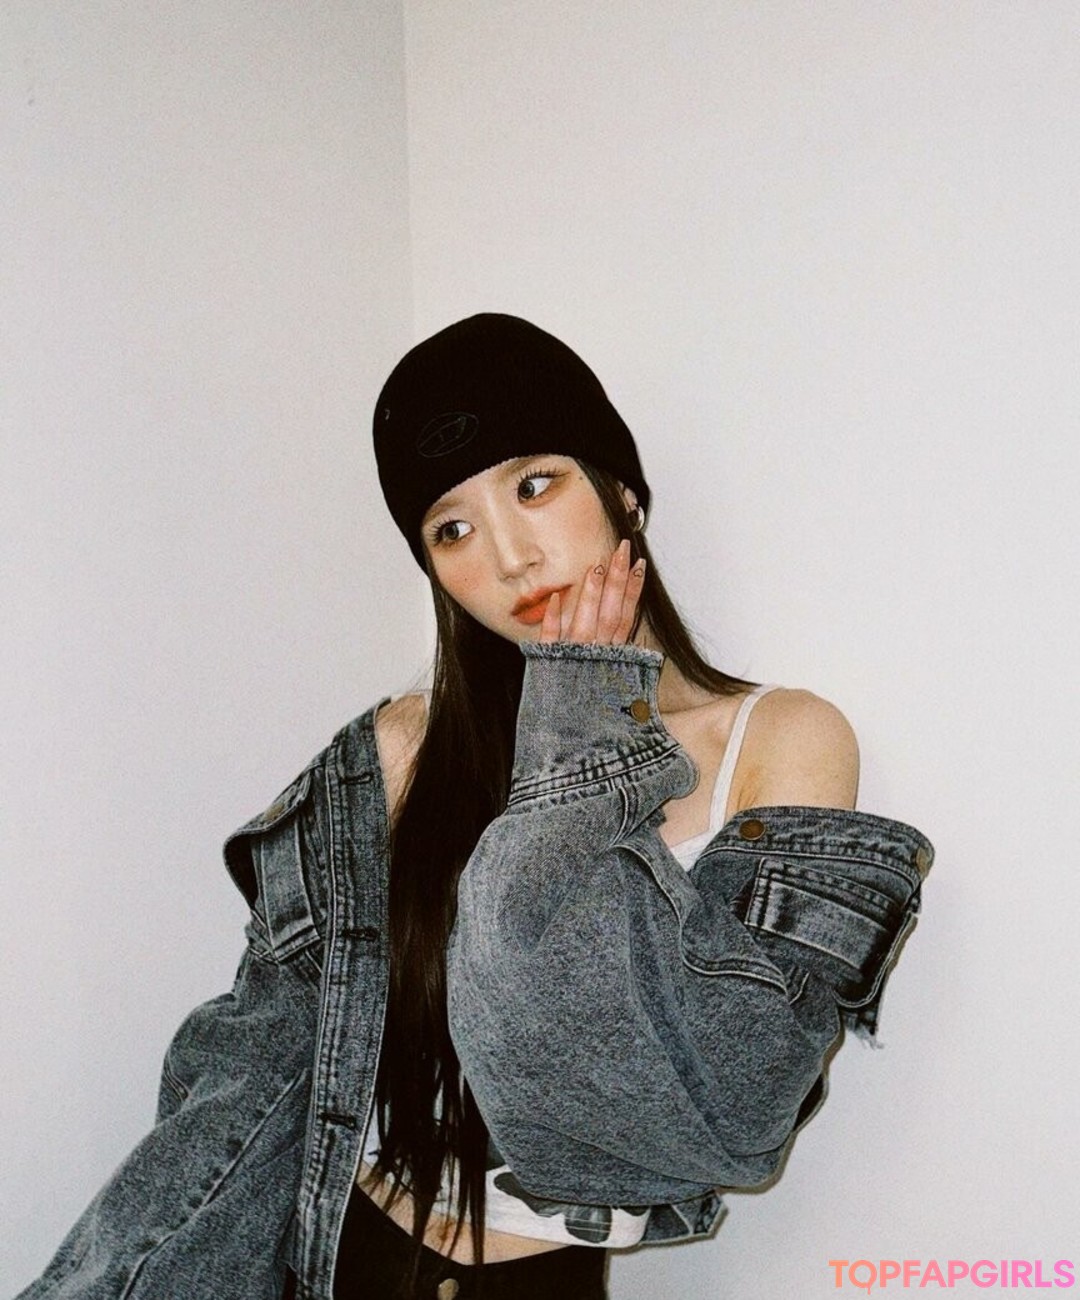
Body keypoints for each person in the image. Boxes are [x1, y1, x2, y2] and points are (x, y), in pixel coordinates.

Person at [18, 314, 933, 1300]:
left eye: (534, 485)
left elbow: (725, 1111)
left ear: (622, 491)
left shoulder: (779, 740)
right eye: (450, 529)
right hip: (339, 1269)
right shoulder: (400, 752)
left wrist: (584, 721)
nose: (509, 557)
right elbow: (249, 1086)